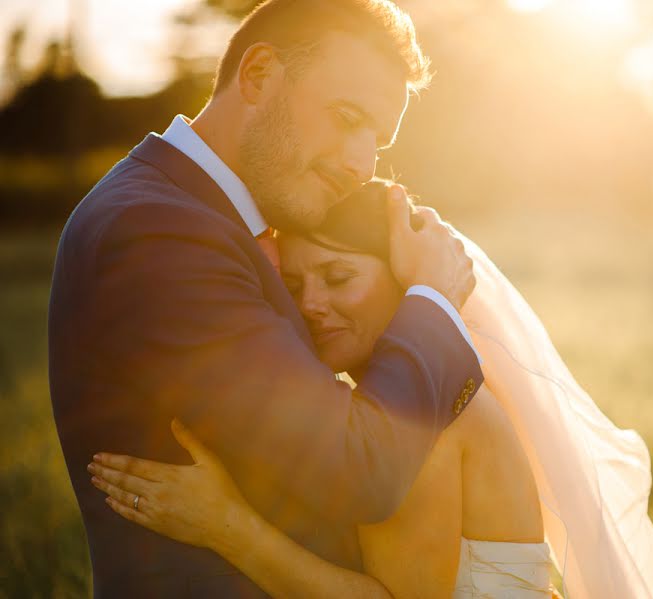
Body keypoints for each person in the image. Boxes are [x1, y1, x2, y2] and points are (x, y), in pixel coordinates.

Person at [48, 2, 484, 596]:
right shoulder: (159, 231)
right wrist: (432, 295)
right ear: (257, 76)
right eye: (347, 116)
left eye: (376, 142)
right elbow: (357, 472)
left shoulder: (200, 216)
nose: (361, 163)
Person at [88, 181, 653, 599]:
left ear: (406, 282)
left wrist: (223, 523)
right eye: (294, 284)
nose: (312, 305)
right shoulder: (427, 387)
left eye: (339, 277)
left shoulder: (425, 413)